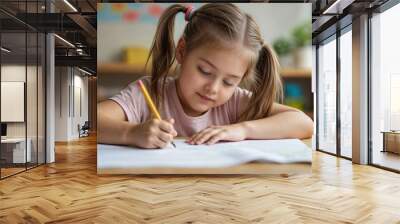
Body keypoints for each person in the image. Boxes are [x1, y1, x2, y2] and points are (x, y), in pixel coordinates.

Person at [98, 3, 313, 149]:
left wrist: (242, 129)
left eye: (229, 81)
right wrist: (131, 133)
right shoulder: (147, 93)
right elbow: (94, 120)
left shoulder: (236, 101)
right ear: (182, 51)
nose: (214, 88)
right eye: (205, 71)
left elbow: (303, 123)